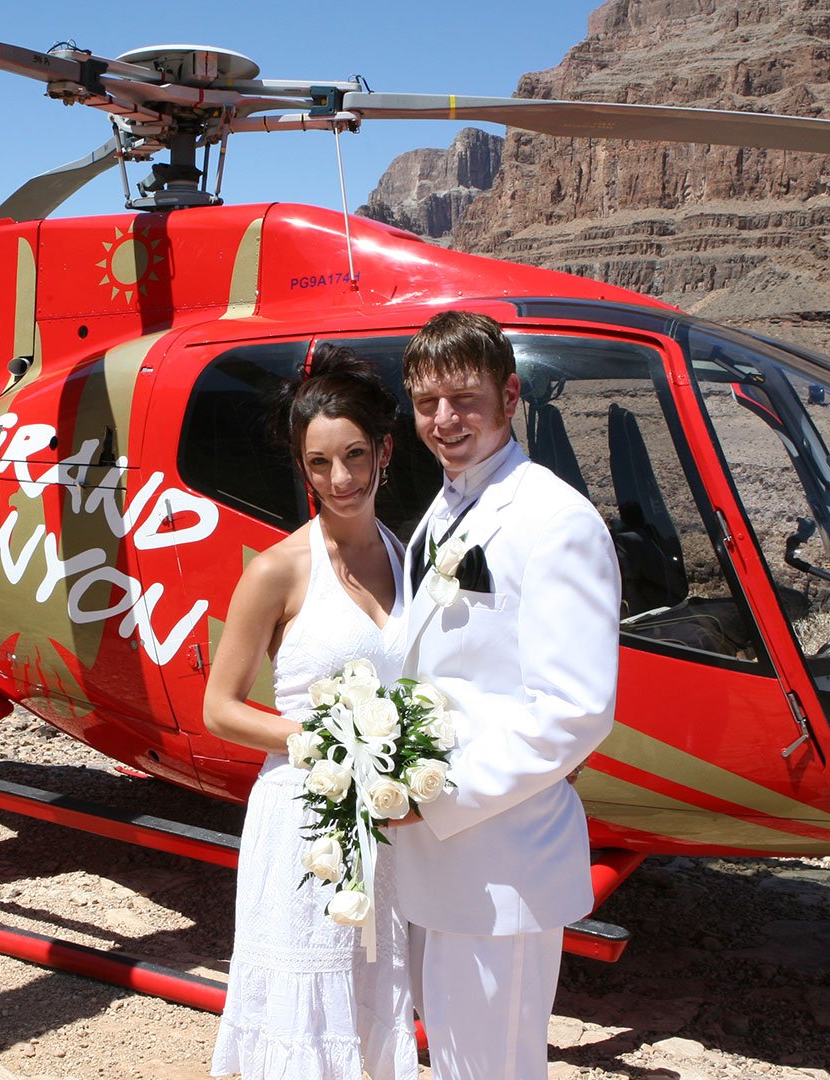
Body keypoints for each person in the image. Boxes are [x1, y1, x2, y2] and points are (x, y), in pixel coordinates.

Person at [389, 310, 620, 1079]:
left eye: (464, 399)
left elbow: (575, 710)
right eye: (427, 403)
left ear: (510, 395)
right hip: (438, 857)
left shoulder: (556, 520)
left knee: (493, 1068)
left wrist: (437, 796)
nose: (445, 420)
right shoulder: (446, 505)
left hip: (501, 857)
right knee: (454, 1060)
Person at [203, 345, 417, 1080]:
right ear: (302, 467)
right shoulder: (277, 571)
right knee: (306, 1004)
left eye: (355, 455)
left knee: (368, 994)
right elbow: (221, 708)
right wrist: (330, 742)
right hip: (303, 821)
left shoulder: (406, 556)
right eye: (320, 463)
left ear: (384, 451)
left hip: (382, 825)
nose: (341, 479)